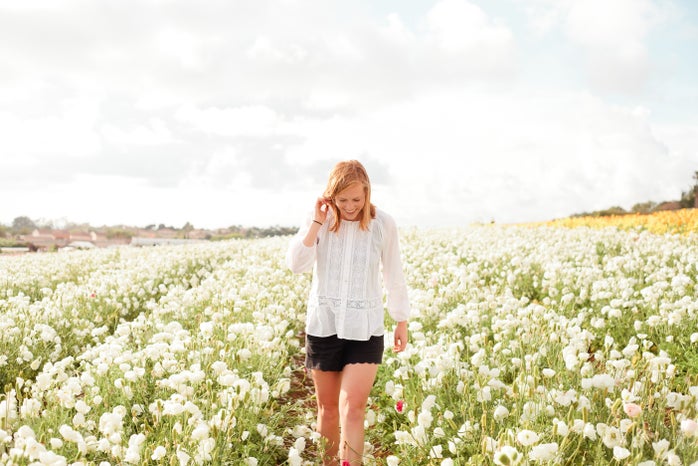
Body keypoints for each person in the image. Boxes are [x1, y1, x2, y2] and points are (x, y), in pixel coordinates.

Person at [286, 160, 410, 466]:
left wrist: (401, 319)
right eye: (343, 200)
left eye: (357, 199)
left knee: (353, 408)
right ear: (330, 196)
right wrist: (316, 221)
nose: (351, 206)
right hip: (324, 323)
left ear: (367, 192)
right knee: (327, 410)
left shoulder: (383, 223)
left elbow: (394, 273)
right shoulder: (321, 220)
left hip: (365, 327)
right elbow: (296, 264)